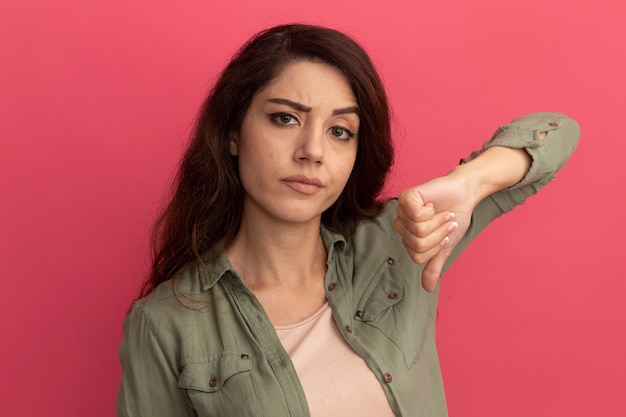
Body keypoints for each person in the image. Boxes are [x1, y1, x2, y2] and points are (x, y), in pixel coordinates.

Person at [116, 24, 579, 417]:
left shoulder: (400, 240)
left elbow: (559, 131)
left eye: (340, 131)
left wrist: (469, 182)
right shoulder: (166, 324)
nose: (313, 151)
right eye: (284, 118)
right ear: (234, 133)